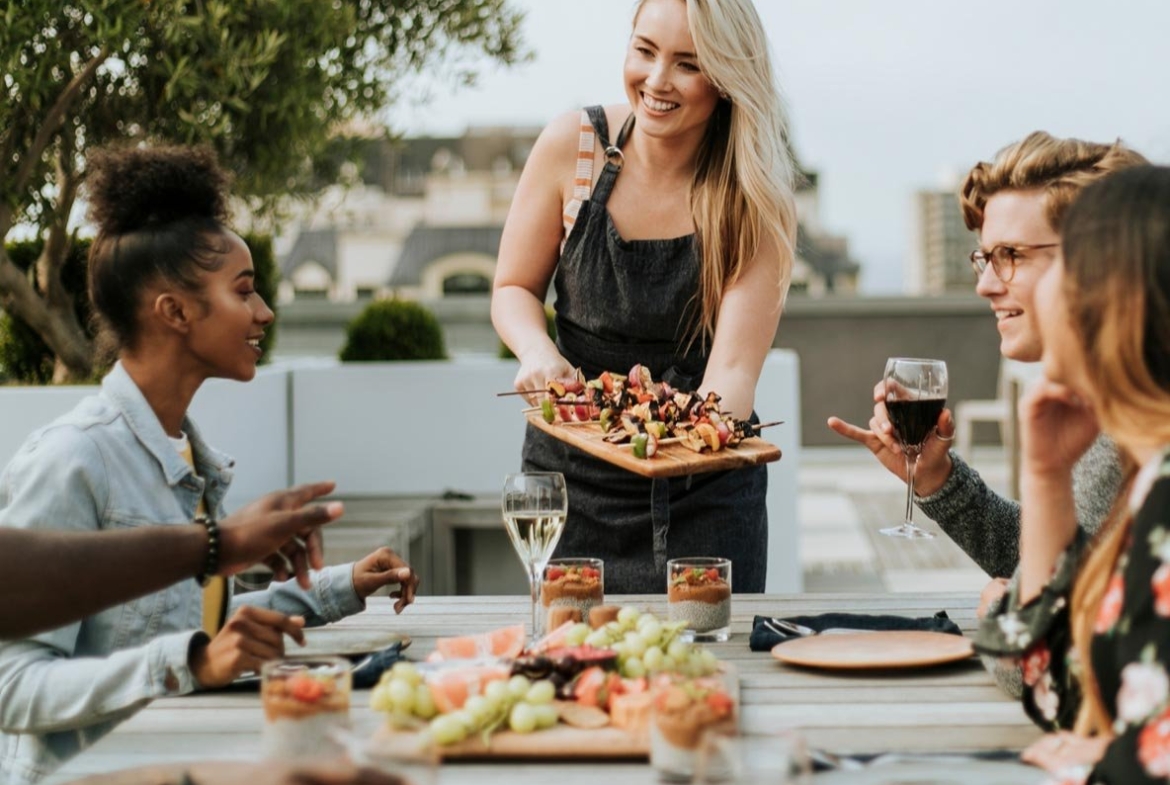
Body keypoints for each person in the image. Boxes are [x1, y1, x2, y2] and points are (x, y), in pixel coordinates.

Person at [0, 145, 419, 785]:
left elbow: (201, 627)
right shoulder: (73, 459)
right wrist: (190, 662)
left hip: (175, 761)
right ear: (174, 311)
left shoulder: (187, 454)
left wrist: (342, 587)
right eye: (244, 292)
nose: (264, 312)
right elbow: (13, 689)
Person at [491, 0, 797, 593]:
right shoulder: (573, 145)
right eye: (645, 50)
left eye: (688, 64)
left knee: (704, 671)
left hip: (704, 491)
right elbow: (512, 288)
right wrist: (536, 351)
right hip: (570, 481)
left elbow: (731, 371)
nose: (657, 81)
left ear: (728, 79)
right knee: (576, 668)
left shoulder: (755, 196)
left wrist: (679, 441)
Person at [827, 133, 1143, 691]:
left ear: (1099, 258)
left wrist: (1003, 616)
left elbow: (1036, 665)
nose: (984, 284)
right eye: (984, 257)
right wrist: (939, 480)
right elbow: (1062, 560)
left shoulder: (1136, 421)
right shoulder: (1113, 398)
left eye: (1011, 256)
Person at [974, 165, 1170, 783]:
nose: (988, 285)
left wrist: (1118, 766)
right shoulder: (1149, 476)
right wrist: (1045, 474)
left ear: (1114, 297)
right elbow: (1058, 686)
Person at [0, 481, 343, 640]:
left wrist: (344, 586)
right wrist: (217, 541)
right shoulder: (74, 458)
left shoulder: (192, 461)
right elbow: (17, 681)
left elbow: (186, 620)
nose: (265, 330)